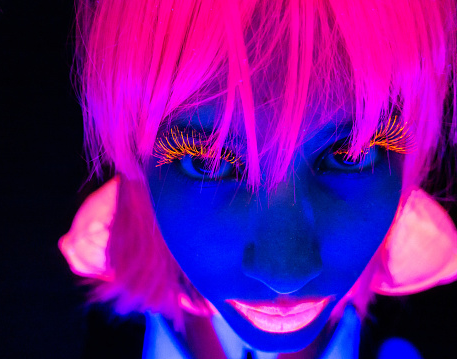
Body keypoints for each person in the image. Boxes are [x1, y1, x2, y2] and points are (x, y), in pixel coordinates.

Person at [60, 0, 457, 357]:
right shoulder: (63, 304)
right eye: (210, 164)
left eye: (348, 155)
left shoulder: (438, 320)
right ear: (135, 156)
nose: (284, 274)